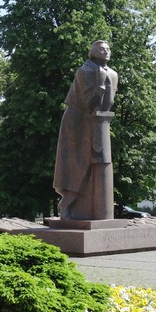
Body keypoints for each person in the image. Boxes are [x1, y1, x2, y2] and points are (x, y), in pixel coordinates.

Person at [53, 40, 118, 220]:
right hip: (77, 120)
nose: (106, 52)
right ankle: (67, 205)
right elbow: (90, 100)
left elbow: (107, 103)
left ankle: (96, 212)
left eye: (107, 49)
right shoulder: (85, 71)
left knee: (96, 161)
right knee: (76, 164)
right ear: (93, 53)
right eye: (101, 49)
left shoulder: (113, 74)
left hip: (98, 121)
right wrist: (99, 78)